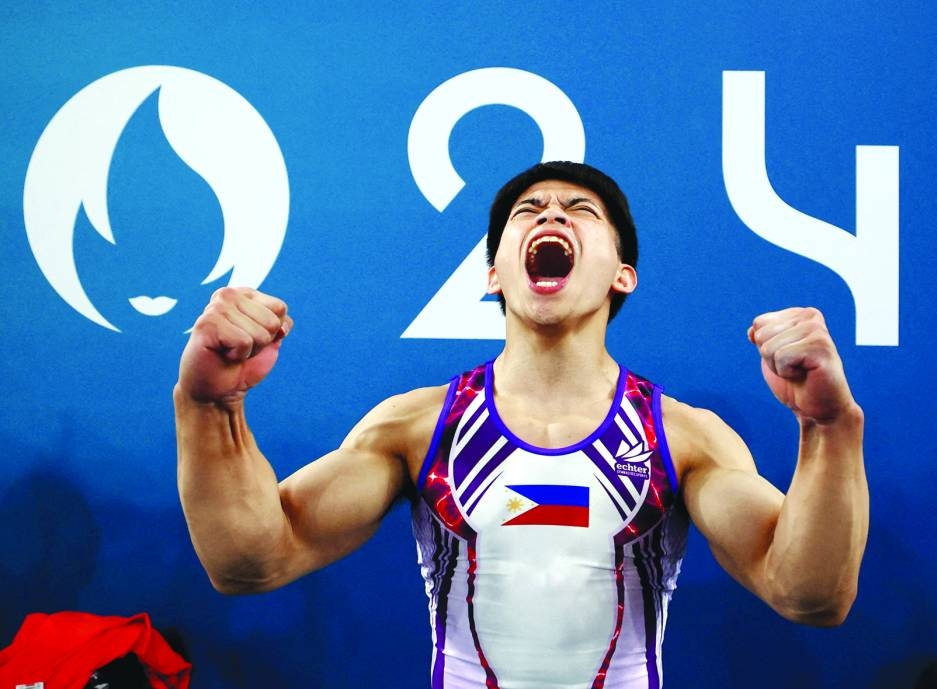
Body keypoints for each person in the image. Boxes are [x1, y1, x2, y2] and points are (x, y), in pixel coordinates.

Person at [175, 162, 868, 688]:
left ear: (622, 275)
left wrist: (828, 427)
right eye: (529, 210)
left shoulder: (684, 438)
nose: (552, 214)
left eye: (580, 210)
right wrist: (211, 407)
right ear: (492, 275)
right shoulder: (418, 427)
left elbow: (810, 595)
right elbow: (250, 561)